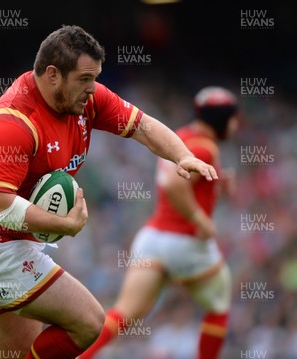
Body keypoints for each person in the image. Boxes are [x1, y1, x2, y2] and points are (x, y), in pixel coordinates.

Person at [0, 25, 219, 359]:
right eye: (84, 79)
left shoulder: (84, 100)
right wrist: (64, 225)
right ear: (53, 74)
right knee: (88, 323)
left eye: (94, 78)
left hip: (7, 242)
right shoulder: (13, 123)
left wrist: (183, 155)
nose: (92, 88)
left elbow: (142, 126)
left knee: (11, 354)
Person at [79, 86, 239, 359]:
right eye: (234, 118)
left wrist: (217, 188)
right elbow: (175, 185)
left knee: (122, 315)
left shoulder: (182, 137)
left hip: (153, 240)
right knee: (219, 304)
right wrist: (199, 219)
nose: (236, 125)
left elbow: (186, 184)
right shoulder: (206, 147)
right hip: (185, 242)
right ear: (223, 119)